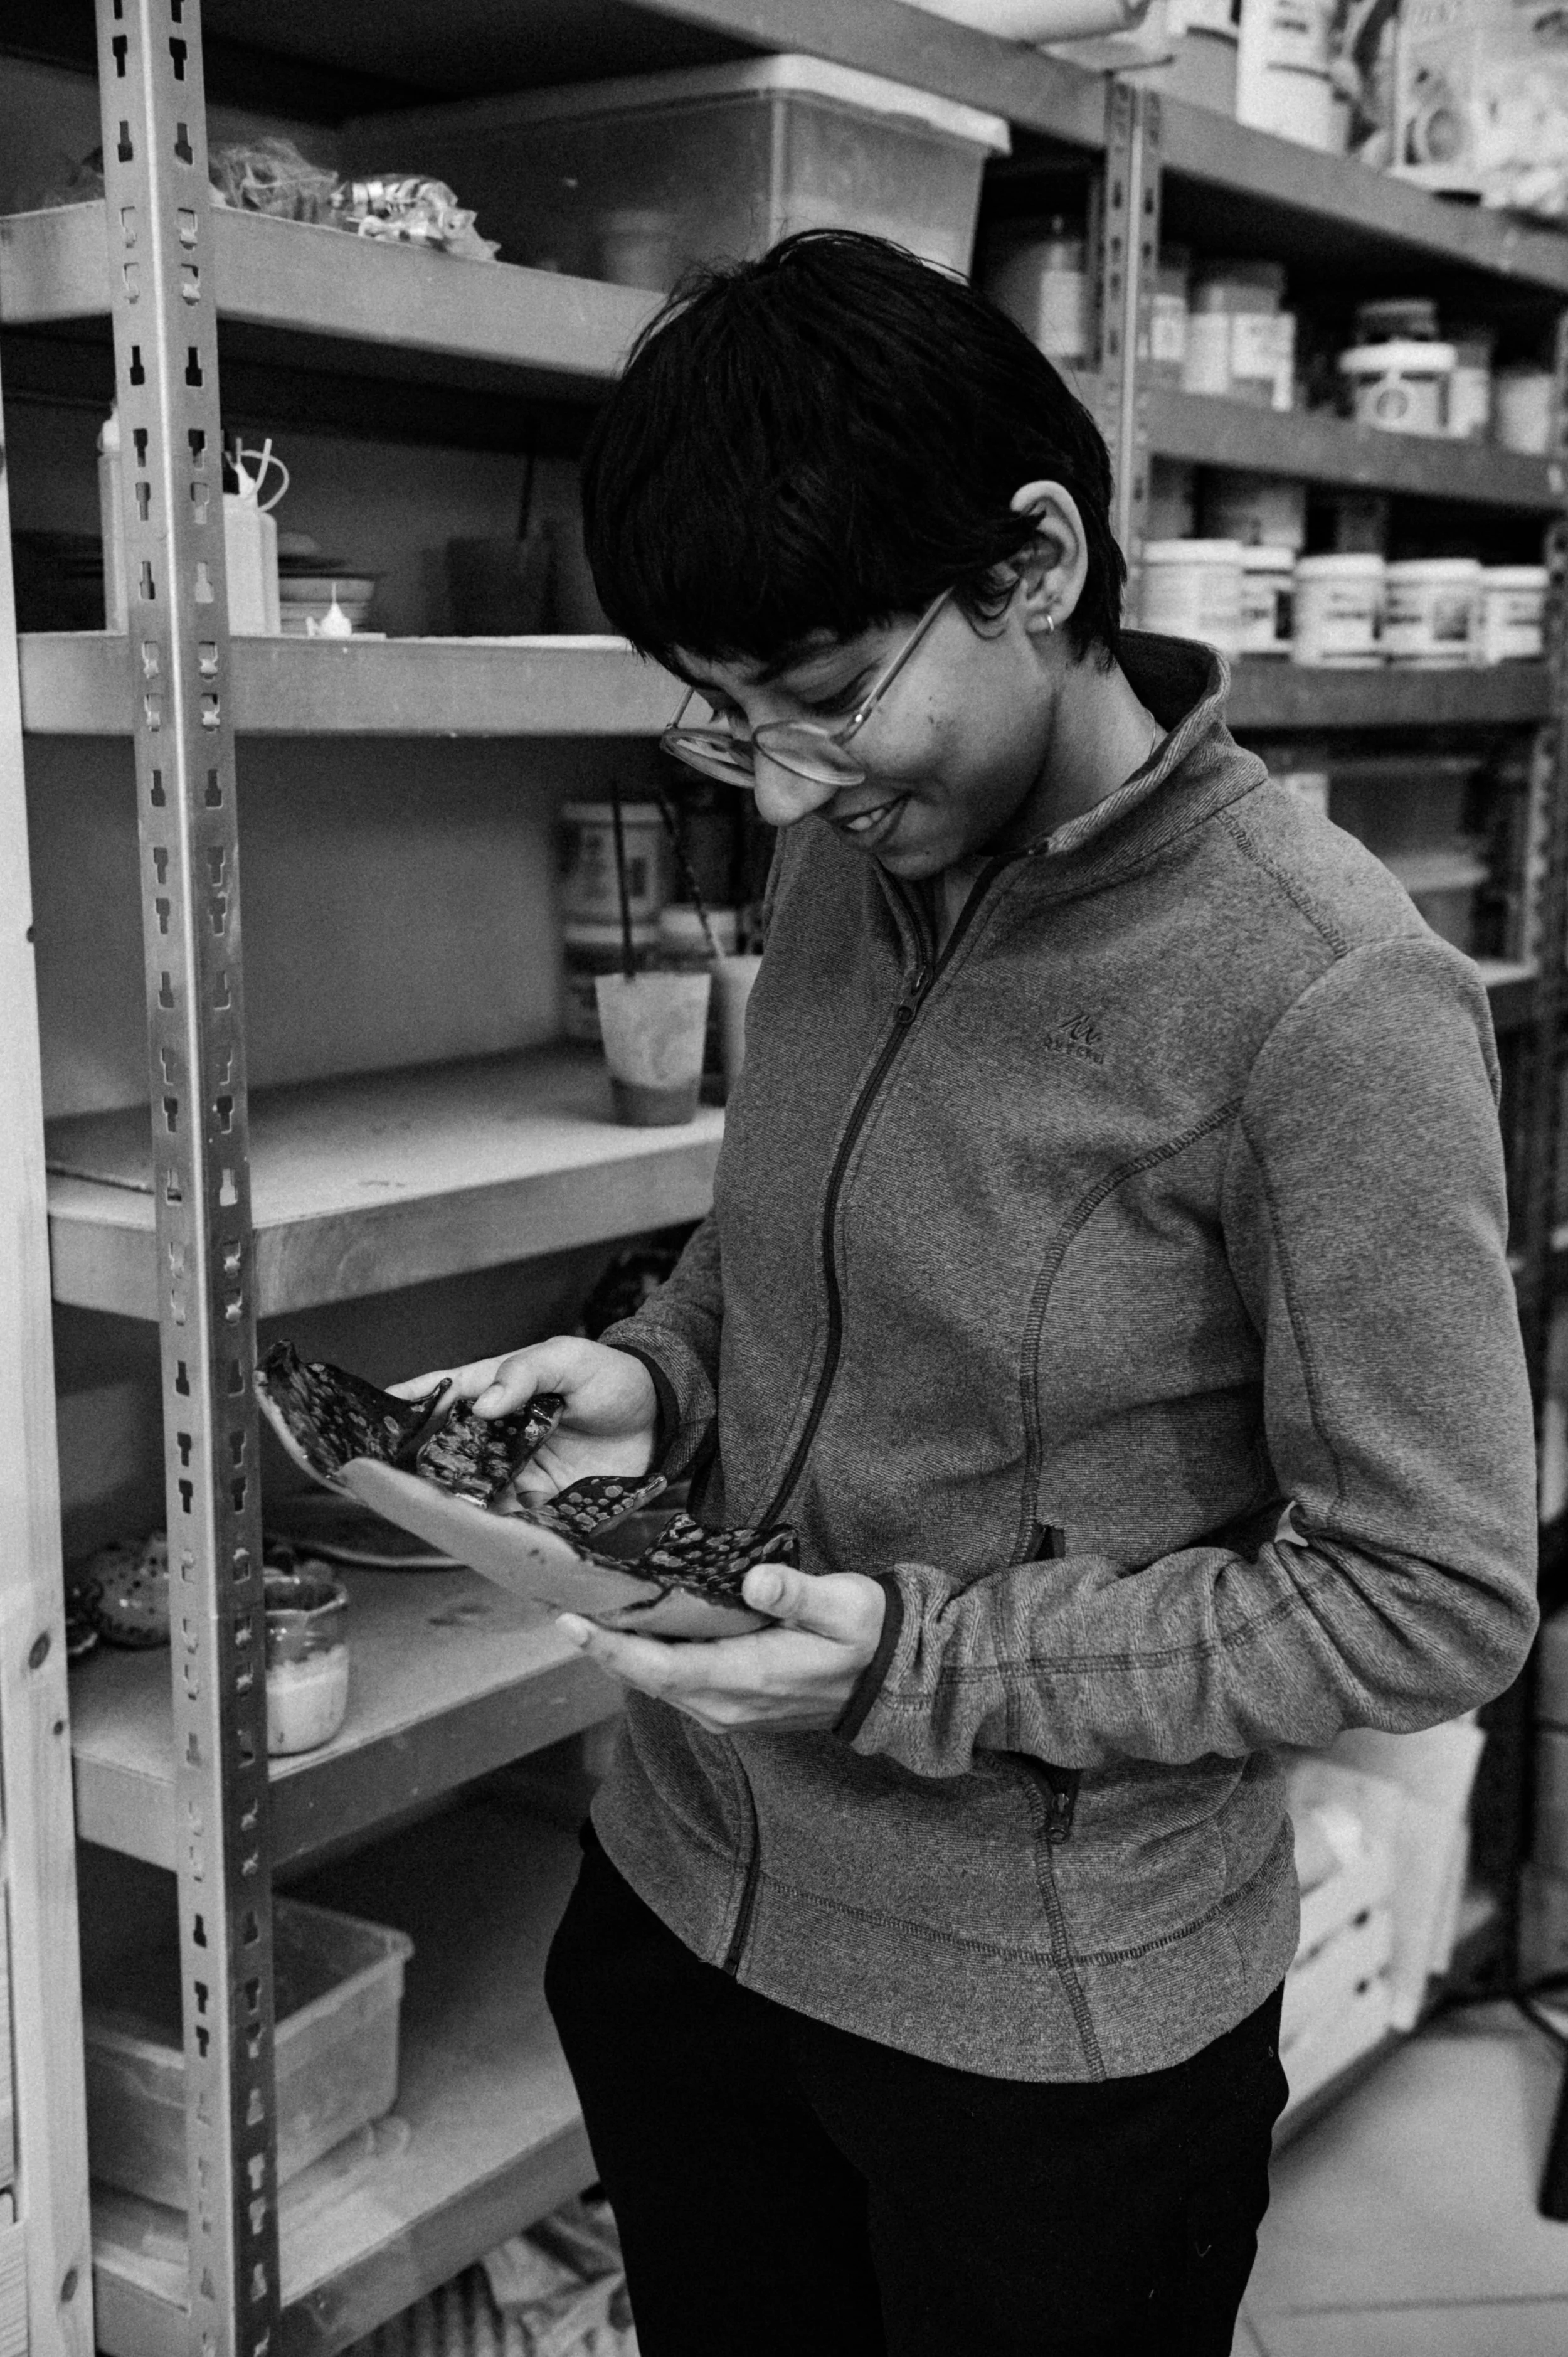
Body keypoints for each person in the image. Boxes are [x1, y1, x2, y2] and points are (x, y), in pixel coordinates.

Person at [398, 231, 1538, 2354]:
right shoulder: (850, 849)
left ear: (1034, 561)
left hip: (1036, 2040)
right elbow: (795, 1255)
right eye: (726, 717)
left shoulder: (1324, 993)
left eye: (828, 694)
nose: (784, 782)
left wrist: (917, 1662)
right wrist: (658, 1375)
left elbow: (1429, 1593)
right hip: (681, 1900)